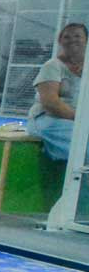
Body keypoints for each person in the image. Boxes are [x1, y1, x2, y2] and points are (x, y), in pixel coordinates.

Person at [27, 22, 85, 173]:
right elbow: (50, 103)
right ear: (60, 41)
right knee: (82, 144)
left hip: (76, 122)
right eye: (67, 37)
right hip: (47, 120)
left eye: (77, 36)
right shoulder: (52, 66)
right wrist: (81, 120)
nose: (72, 40)